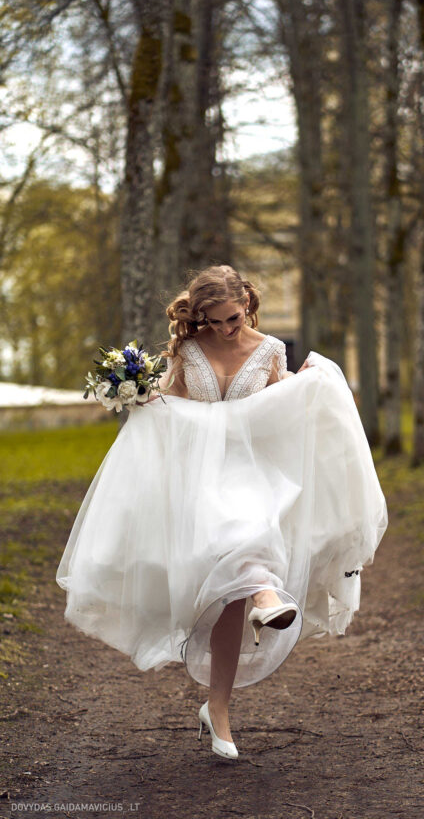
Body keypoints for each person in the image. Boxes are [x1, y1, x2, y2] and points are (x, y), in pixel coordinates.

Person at [56, 264, 387, 761]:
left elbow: (282, 414)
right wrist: (136, 393)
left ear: (247, 305)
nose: (224, 330)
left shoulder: (272, 351)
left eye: (231, 319)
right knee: (235, 560)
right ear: (199, 319)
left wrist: (313, 387)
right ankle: (264, 599)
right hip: (200, 480)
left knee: (242, 557)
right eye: (212, 322)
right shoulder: (189, 352)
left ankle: (222, 700)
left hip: (255, 476)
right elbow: (170, 407)